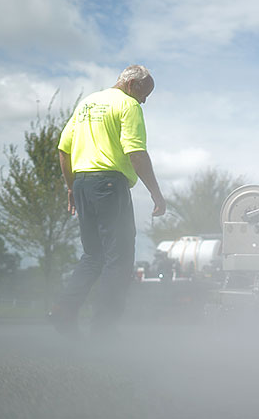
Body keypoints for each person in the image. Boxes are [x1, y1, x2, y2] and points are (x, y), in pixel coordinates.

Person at [50, 65, 166, 337]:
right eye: (145, 93)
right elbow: (136, 152)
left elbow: (63, 149)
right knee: (120, 258)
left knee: (93, 256)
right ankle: (103, 329)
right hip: (109, 185)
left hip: (82, 184)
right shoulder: (128, 105)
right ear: (132, 85)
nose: (144, 100)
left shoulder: (87, 103)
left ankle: (63, 311)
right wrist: (156, 194)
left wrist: (71, 188)